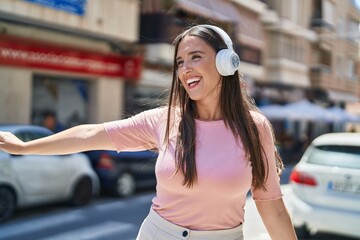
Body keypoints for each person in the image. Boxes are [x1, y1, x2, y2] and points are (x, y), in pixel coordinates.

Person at [0, 24, 297, 240]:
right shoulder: (164, 120)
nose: (185, 69)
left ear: (225, 62)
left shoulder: (255, 128)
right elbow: (92, 134)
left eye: (195, 57)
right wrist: (25, 147)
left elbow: (271, 206)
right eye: (180, 62)